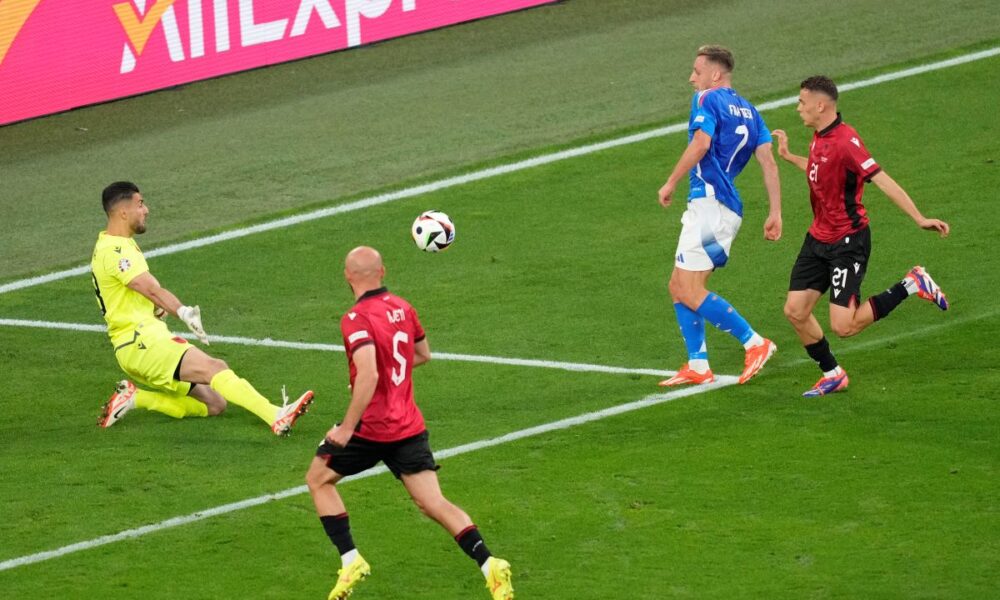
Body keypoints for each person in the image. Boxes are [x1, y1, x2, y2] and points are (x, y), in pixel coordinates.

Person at [305, 246, 513, 600]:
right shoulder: (403, 307)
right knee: (434, 503)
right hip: (408, 426)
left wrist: (347, 428)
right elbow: (422, 354)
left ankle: (351, 559)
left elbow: (369, 374)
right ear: (383, 271)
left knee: (318, 479)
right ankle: (489, 564)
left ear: (347, 276)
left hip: (371, 428)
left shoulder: (355, 318)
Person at [772, 76, 950, 397]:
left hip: (847, 242)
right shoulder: (819, 136)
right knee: (795, 310)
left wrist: (919, 218)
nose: (798, 107)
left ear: (820, 105)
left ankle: (912, 283)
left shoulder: (846, 142)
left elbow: (882, 180)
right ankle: (833, 374)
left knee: (844, 326)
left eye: (802, 102)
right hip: (817, 239)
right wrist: (789, 156)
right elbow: (820, 169)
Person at [91, 181, 313, 434]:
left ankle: (135, 398)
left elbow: (130, 292)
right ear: (123, 212)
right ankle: (276, 416)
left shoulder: (112, 244)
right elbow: (151, 289)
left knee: (215, 403)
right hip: (142, 342)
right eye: (140, 204)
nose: (146, 210)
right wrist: (183, 312)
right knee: (216, 368)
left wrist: (155, 309)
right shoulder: (116, 251)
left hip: (135, 344)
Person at [657, 45, 783, 387]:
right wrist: (775, 212)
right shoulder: (751, 112)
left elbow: (701, 144)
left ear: (715, 75)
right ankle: (698, 365)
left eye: (697, 72)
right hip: (725, 210)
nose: (691, 78)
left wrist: (671, 181)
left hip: (709, 207)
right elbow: (768, 163)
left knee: (688, 288)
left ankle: (754, 343)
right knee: (679, 286)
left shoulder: (706, 99)